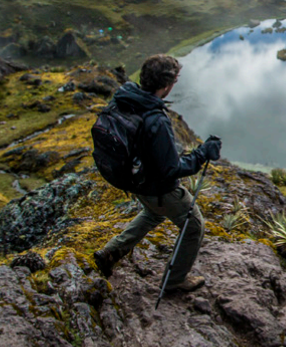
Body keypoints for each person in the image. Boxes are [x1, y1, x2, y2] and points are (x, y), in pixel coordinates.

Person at [93, 54, 221, 292]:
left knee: (153, 214)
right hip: (157, 188)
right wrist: (203, 153)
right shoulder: (156, 119)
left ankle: (110, 252)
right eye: (174, 82)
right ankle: (175, 281)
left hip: (133, 180)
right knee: (193, 226)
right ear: (166, 85)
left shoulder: (126, 99)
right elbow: (172, 169)